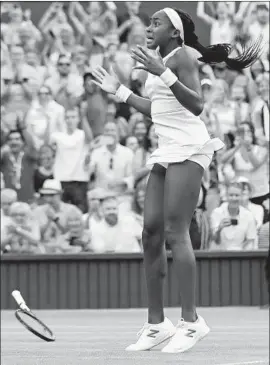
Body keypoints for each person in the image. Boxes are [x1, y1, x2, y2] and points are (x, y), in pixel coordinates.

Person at [92, 7, 261, 353]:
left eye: (156, 23)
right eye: (149, 21)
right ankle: (157, 324)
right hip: (167, 149)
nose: (149, 27)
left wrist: (162, 73)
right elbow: (158, 109)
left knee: (174, 231)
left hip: (190, 148)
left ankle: (191, 321)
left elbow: (197, 105)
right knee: (150, 232)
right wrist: (120, 91)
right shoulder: (165, 58)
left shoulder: (182, 56)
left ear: (175, 31)